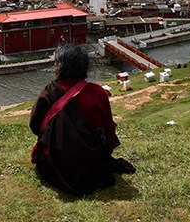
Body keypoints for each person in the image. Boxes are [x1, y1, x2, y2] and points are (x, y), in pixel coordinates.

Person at [30, 44, 135, 196]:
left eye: (56, 63)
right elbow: (109, 133)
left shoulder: (49, 91)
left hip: (56, 166)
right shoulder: (98, 92)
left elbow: (34, 125)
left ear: (64, 67)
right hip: (92, 167)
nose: (54, 67)